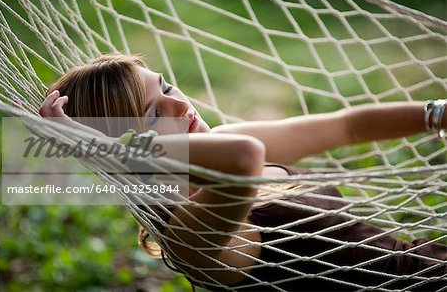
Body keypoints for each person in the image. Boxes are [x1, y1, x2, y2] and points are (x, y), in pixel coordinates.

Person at [39, 54, 446, 291]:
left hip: (425, 261)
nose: (181, 106)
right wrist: (101, 148)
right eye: (152, 114)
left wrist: (436, 114)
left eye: (166, 88)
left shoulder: (223, 139)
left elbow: (347, 126)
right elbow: (244, 158)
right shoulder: (189, 238)